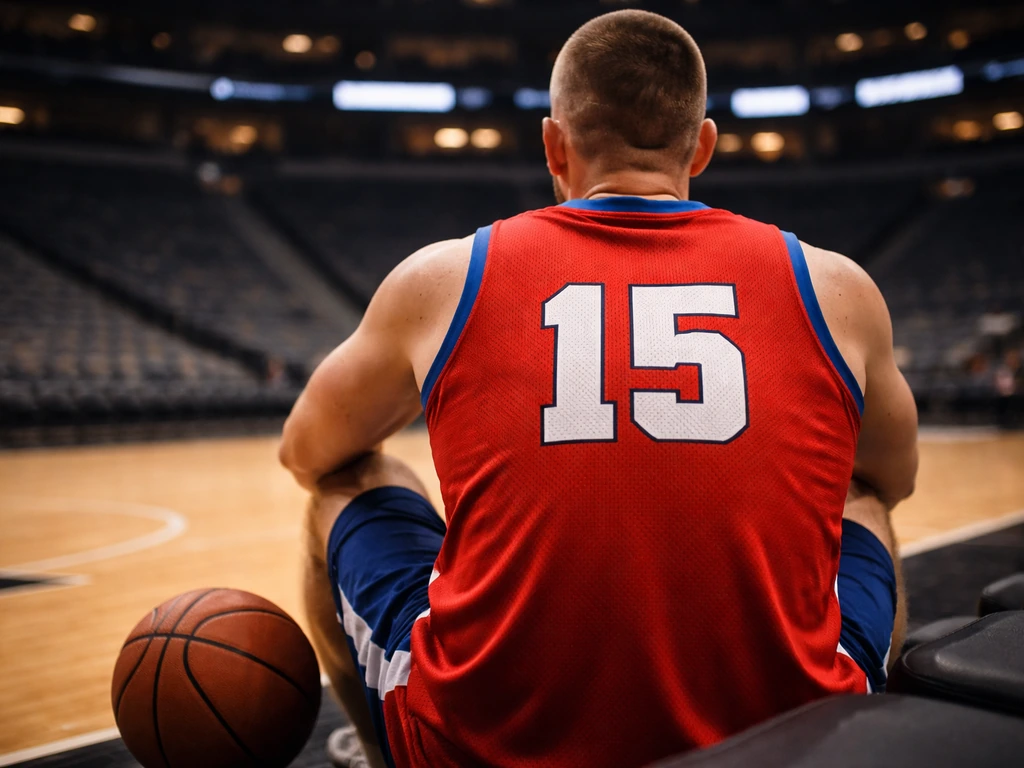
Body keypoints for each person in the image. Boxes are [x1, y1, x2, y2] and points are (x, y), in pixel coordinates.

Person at [280, 10, 918, 768]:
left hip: (480, 749)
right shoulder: (835, 286)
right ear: (702, 145)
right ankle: (848, 743)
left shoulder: (443, 278)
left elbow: (305, 450)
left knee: (349, 481)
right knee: (863, 502)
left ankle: (385, 753)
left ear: (553, 144)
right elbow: (893, 476)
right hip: (784, 741)